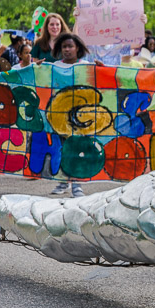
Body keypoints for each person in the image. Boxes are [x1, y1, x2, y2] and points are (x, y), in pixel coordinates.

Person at [49, 33, 98, 197]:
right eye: (64, 47)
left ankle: (77, 184)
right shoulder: (55, 66)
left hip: (80, 115)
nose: (67, 49)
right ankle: (63, 182)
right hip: (60, 115)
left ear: (78, 48)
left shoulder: (86, 66)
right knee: (63, 148)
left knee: (77, 148)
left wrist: (103, 69)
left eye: (70, 46)